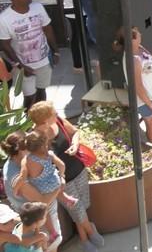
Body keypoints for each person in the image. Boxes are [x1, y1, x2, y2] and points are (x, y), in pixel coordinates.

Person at [26, 101, 103, 250]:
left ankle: (83, 237)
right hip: (60, 180)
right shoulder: (34, 138)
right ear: (44, 120)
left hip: (78, 168)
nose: (56, 114)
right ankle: (90, 231)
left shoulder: (59, 121)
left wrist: (75, 144)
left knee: (84, 205)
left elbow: (75, 132)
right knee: (77, 209)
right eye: (53, 113)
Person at [0, 0, 60, 108]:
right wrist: (20, 66)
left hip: (44, 60)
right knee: (29, 96)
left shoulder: (38, 8)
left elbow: (48, 29)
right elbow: (5, 45)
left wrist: (56, 51)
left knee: (41, 90)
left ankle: (42, 119)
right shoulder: (4, 19)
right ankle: (27, 122)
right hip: (23, 65)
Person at [114, 27, 152, 144]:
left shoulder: (141, 48)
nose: (140, 34)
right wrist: (150, 105)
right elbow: (137, 86)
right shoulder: (133, 60)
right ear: (132, 40)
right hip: (146, 98)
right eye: (138, 34)